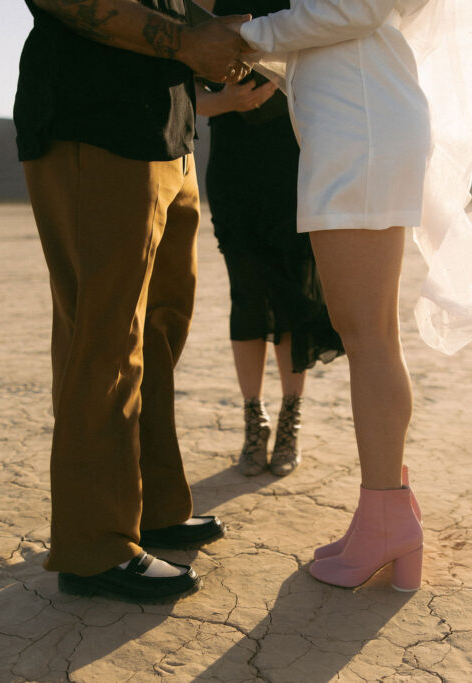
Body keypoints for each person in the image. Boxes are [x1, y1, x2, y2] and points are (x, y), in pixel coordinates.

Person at [237, 0, 472, 590]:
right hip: (354, 123)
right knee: (367, 331)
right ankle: (386, 512)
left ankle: (386, 518)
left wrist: (249, 35)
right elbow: (338, 32)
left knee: (368, 334)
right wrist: (257, 47)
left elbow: (358, 7)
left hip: (360, 132)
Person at [14, 0, 253, 603]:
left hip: (168, 131)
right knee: (104, 336)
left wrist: (221, 32)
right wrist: (189, 42)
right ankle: (95, 545)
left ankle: (152, 509)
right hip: (93, 121)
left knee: (159, 333)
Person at [195, 0, 345, 478]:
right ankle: (254, 419)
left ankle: (289, 419)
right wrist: (229, 101)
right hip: (233, 171)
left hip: (292, 165)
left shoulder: (294, 5)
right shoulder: (200, 9)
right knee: (247, 297)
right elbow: (176, 92)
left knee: (292, 297)